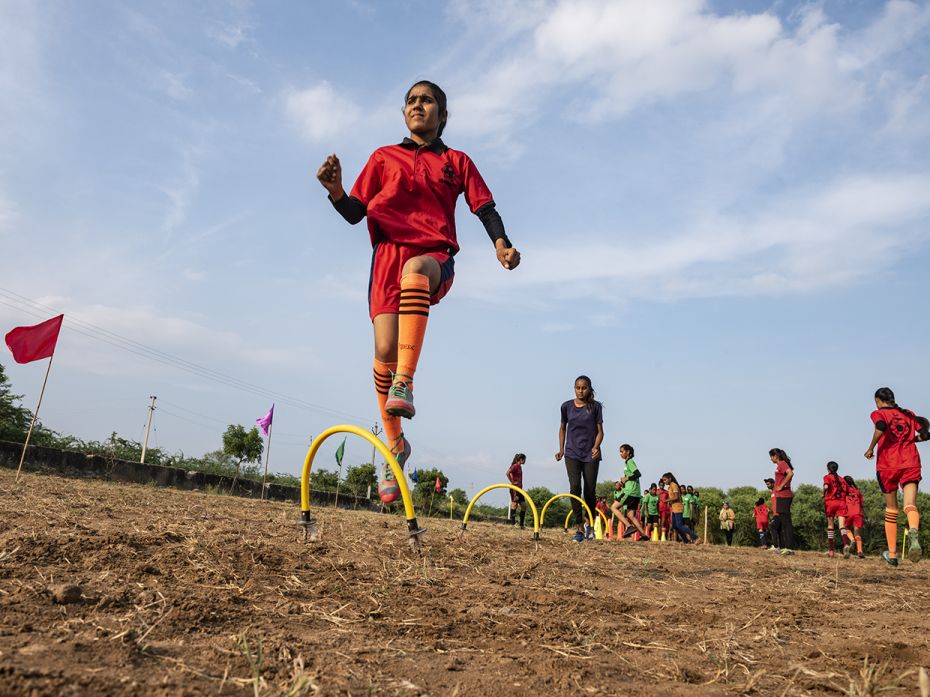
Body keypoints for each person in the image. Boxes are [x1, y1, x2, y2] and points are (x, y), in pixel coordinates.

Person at [317, 80, 521, 503]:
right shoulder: (383, 157)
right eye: (411, 100)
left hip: (433, 256)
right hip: (385, 258)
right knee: (384, 349)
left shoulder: (456, 161)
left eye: (426, 101)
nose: (417, 106)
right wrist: (336, 191)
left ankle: (406, 382)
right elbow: (356, 213)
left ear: (442, 115)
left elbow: (484, 207)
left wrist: (501, 243)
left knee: (416, 271)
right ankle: (395, 444)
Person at [865, 386, 928, 566]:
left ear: (878, 400)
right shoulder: (908, 413)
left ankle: (892, 555)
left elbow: (881, 427)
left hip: (888, 465)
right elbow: (926, 434)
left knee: (892, 509)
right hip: (910, 462)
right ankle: (913, 531)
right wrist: (911, 440)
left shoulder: (878, 414)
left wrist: (870, 448)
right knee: (910, 505)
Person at [557, 375, 604, 542]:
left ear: (589, 389)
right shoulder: (566, 407)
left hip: (590, 454)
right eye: (578, 387)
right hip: (571, 453)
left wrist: (596, 447)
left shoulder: (595, 407)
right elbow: (562, 428)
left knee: (589, 491)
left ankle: (589, 525)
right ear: (574, 388)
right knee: (575, 488)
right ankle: (579, 528)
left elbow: (600, 432)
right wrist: (561, 449)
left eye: (584, 388)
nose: (580, 390)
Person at [614, 444, 648, 539]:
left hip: (630, 492)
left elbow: (638, 474)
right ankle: (644, 535)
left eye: (622, 451)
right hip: (635, 492)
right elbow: (630, 477)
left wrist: (627, 478)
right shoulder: (627, 463)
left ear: (628, 452)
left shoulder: (630, 461)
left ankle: (629, 527)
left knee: (613, 507)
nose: (620, 453)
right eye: (620, 452)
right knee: (630, 515)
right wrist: (623, 482)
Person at [661, 472, 701, 544]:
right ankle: (686, 540)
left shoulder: (674, 485)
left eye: (665, 480)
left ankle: (696, 537)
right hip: (674, 508)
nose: (664, 482)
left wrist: (666, 500)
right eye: (663, 480)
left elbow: (676, 497)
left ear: (670, 479)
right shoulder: (670, 486)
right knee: (675, 526)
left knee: (680, 525)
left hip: (678, 508)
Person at [770, 448, 795, 555]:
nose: (770, 459)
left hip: (784, 496)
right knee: (781, 523)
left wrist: (781, 486)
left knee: (786, 523)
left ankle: (789, 548)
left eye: (771, 457)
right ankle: (783, 546)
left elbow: (790, 473)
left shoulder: (782, 463)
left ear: (776, 456)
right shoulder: (780, 465)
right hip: (781, 497)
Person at [822, 461, 848, 558]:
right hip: (842, 503)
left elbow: (826, 486)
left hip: (831, 502)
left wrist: (823, 493)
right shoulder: (842, 479)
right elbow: (847, 492)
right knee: (842, 526)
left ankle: (831, 550)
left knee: (830, 525)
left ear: (828, 468)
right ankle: (845, 545)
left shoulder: (827, 477)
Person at [842, 476, 866, 559]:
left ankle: (852, 540)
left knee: (846, 528)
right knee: (857, 534)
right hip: (858, 514)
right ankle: (860, 551)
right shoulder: (857, 492)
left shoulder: (844, 492)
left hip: (848, 513)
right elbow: (862, 502)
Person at [506, 453, 527, 529]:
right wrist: (512, 482)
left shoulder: (520, 467)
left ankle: (521, 524)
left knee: (524, 506)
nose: (525, 461)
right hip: (514, 489)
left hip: (520, 489)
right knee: (514, 504)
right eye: (524, 459)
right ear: (521, 459)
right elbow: (507, 473)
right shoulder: (515, 466)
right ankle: (513, 524)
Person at [764, 478, 781, 551]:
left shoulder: (777, 490)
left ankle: (775, 546)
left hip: (779, 513)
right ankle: (779, 546)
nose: (767, 486)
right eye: (766, 484)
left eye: (768, 484)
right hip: (775, 514)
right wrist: (770, 511)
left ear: (773, 483)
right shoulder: (772, 492)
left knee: (772, 526)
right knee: (777, 529)